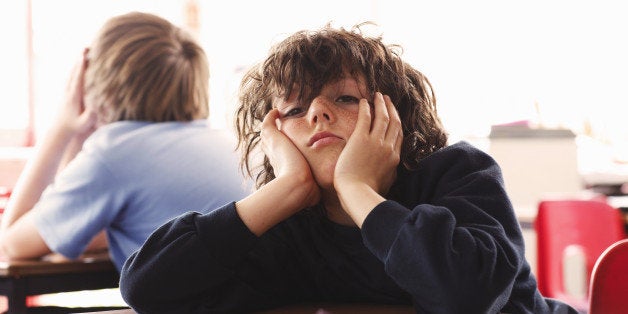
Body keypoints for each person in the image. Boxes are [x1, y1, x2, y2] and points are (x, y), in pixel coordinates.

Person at [119, 22, 577, 313]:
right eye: (294, 110)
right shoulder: (288, 226)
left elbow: (468, 297)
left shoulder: (457, 173)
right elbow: (147, 289)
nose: (317, 112)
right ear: (274, 137)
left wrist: (357, 188)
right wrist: (285, 190)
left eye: (344, 98)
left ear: (393, 116)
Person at [0, 11, 250, 271]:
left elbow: (11, 245)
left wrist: (61, 128)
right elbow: (67, 230)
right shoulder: (224, 142)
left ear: (94, 83)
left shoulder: (116, 153)